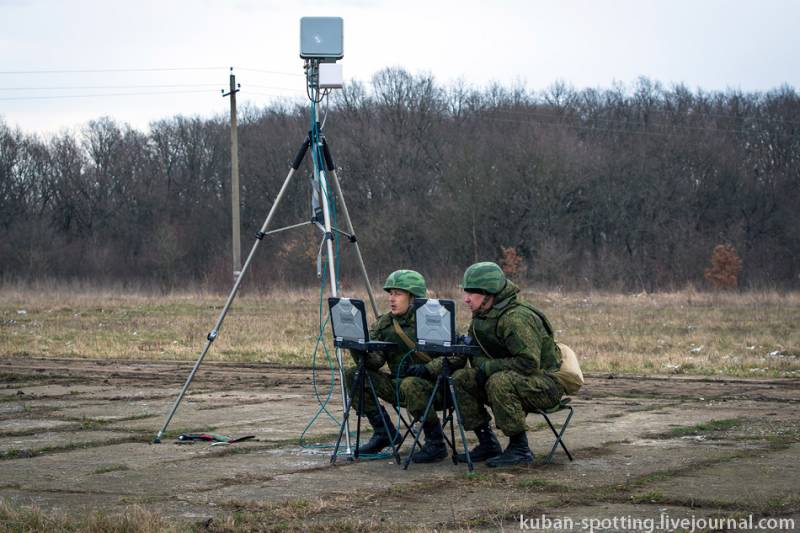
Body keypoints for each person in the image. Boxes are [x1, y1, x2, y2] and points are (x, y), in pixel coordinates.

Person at [452, 261, 564, 467]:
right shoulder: (482, 317)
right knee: (460, 379)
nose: (466, 299)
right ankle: (487, 443)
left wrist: (487, 368)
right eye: (465, 292)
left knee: (499, 380)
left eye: (472, 293)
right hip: (514, 379)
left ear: (489, 294)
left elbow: (528, 363)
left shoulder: (516, 318)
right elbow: (477, 352)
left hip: (546, 385)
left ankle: (520, 448)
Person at [344, 269, 449, 463]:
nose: (392, 299)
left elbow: (456, 357)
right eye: (390, 293)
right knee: (354, 374)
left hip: (437, 389)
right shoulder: (385, 322)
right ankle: (384, 432)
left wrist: (428, 368)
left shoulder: (435, 318)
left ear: (413, 297)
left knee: (411, 384)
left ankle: (436, 442)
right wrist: (358, 347)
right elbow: (375, 362)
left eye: (398, 294)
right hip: (400, 386)